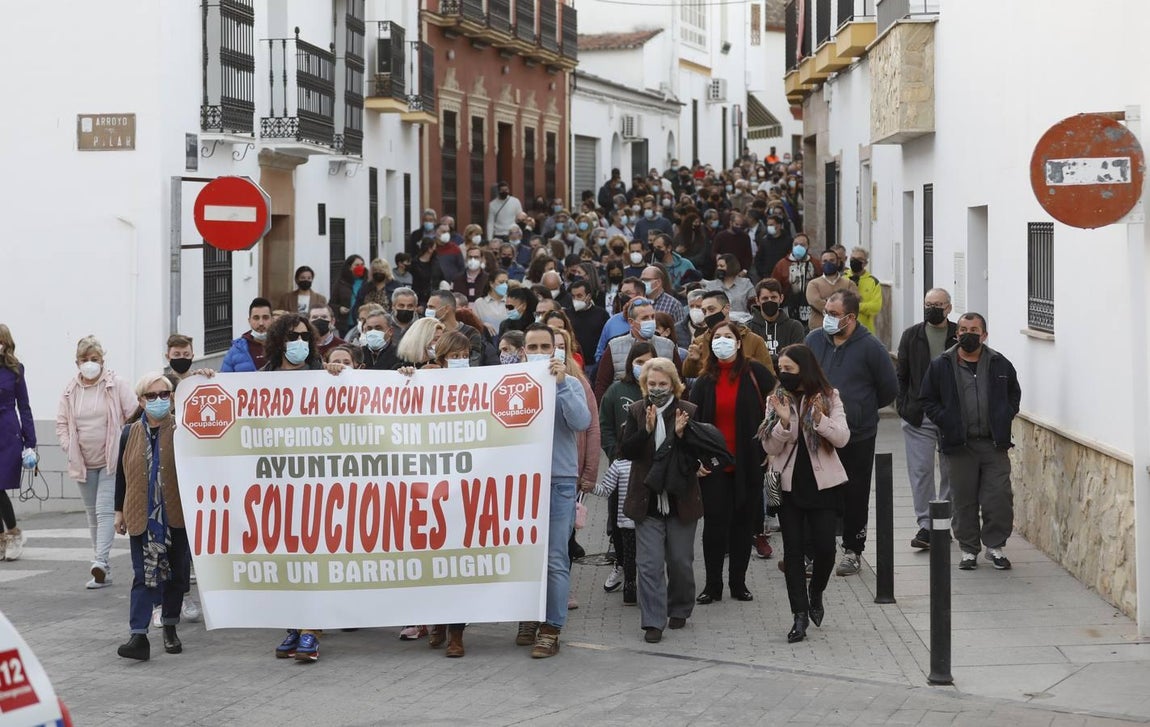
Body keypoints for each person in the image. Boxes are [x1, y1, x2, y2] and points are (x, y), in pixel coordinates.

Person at [760, 343, 851, 643]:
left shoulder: (828, 397)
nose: (783, 374)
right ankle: (799, 615)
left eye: (789, 369)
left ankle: (817, 591)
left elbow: (842, 438)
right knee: (794, 552)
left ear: (805, 369)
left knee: (825, 549)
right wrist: (784, 422)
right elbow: (769, 447)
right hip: (788, 486)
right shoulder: (776, 399)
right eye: (780, 369)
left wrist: (818, 420)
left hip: (822, 484)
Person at [806, 290, 898, 577]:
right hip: (819, 432)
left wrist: (859, 409)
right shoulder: (813, 341)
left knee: (855, 492)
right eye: (826, 313)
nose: (827, 319)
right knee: (817, 491)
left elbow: (888, 389)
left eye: (834, 315)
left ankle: (852, 550)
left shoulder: (871, 347)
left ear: (851, 318)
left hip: (858, 433)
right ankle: (814, 552)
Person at [920, 313, 1021, 571]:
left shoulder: (1000, 364)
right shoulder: (941, 364)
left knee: (998, 497)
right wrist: (947, 420)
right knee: (963, 500)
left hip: (993, 444)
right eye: (963, 329)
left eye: (974, 329)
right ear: (957, 333)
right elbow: (928, 399)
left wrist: (1003, 415)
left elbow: (1013, 395)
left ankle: (995, 547)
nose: (967, 334)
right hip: (959, 447)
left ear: (984, 335)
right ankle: (968, 550)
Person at [514, 324, 591, 658]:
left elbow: (580, 422)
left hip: (557, 479)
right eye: (533, 346)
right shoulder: (510, 383)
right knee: (522, 555)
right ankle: (528, 617)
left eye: (547, 346)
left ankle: (551, 627)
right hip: (519, 481)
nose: (541, 351)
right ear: (523, 351)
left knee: (556, 557)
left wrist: (559, 386)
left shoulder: (570, 383)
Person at [690, 321, 775, 605]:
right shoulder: (703, 381)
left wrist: (770, 447)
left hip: (749, 462)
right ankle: (712, 585)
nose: (722, 341)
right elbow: (693, 423)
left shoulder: (755, 373)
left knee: (743, 525)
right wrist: (696, 459)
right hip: (713, 465)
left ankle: (738, 583)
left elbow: (776, 406)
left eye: (728, 337)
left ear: (739, 344)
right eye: (717, 337)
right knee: (714, 526)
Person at [617, 358, 701, 643]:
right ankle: (653, 620)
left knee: (680, 560)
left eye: (662, 384)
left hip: (679, 499)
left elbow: (695, 457)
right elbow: (626, 451)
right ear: (644, 384)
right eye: (652, 384)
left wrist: (680, 435)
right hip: (647, 500)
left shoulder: (688, 411)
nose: (657, 389)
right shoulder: (637, 411)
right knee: (649, 564)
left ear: (674, 385)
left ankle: (679, 606)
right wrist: (646, 431)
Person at [111, 373, 191, 661]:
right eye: (151, 396)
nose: (158, 400)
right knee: (142, 575)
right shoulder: (129, 432)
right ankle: (138, 635)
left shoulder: (184, 429)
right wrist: (119, 510)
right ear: (141, 401)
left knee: (177, 575)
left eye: (164, 395)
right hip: (140, 514)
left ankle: (169, 627)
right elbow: (121, 475)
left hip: (176, 515)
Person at [55, 336, 137, 588]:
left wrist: (124, 446)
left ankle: (100, 561)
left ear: (102, 360)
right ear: (76, 362)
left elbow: (133, 414)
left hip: (111, 461)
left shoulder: (116, 385)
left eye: (95, 359)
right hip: (83, 462)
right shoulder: (70, 391)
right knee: (92, 515)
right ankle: (103, 568)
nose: (89, 364)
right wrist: (69, 447)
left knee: (104, 512)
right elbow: (61, 424)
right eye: (84, 360)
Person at [897, 288, 957, 550]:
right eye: (928, 304)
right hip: (918, 415)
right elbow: (901, 375)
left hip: (950, 416)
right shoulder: (912, 335)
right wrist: (904, 405)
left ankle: (942, 521)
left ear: (949, 307)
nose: (932, 308)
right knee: (920, 471)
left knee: (950, 472)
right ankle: (926, 526)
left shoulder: (959, 334)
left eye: (938, 304)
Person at [594, 298, 681, 401]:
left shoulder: (668, 346)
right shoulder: (614, 346)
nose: (650, 321)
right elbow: (602, 385)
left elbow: (679, 383)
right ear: (631, 322)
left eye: (652, 317)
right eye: (645, 318)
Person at [0, 325, 36, 562]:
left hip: (7, 432)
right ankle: (4, 537)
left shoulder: (15, 370)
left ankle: (12, 534)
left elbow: (24, 406)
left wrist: (30, 442)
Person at [682, 291, 775, 378]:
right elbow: (688, 373)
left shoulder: (754, 340)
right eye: (704, 311)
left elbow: (768, 376)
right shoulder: (700, 342)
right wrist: (693, 360)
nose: (707, 315)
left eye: (711, 309)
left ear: (726, 308)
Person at [748, 279, 808, 368]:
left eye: (773, 297)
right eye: (765, 298)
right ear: (757, 301)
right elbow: (748, 360)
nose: (769, 301)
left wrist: (762, 359)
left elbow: (797, 357)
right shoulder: (748, 328)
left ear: (781, 298)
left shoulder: (794, 327)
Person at [771, 235, 822, 328]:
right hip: (788, 307)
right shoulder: (782, 264)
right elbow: (774, 286)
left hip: (811, 308)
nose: (798, 247)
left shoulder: (815, 263)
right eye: (796, 244)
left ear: (808, 247)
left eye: (802, 245)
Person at [425, 291, 484, 368]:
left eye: (431, 307)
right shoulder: (426, 333)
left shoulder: (471, 333)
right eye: (428, 307)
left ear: (446, 309)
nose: (428, 310)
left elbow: (473, 363)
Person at [806, 249, 858, 332]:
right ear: (820, 263)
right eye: (825, 261)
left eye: (832, 260)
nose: (828, 263)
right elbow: (815, 302)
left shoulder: (849, 283)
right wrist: (840, 307)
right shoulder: (813, 284)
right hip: (818, 330)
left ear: (838, 262)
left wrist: (827, 301)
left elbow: (853, 302)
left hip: (844, 330)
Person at [594, 278, 644, 361]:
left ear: (640, 295)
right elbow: (600, 353)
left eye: (628, 293)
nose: (623, 297)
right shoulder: (612, 322)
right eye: (621, 294)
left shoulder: (651, 320)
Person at [567, 279, 609, 376]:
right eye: (573, 296)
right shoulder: (566, 314)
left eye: (579, 296)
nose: (576, 299)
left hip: (593, 364)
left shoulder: (601, 314)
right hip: (573, 363)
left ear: (589, 297)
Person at [221, 298, 273, 372]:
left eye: (265, 318)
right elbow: (223, 379)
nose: (261, 323)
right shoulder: (235, 351)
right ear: (249, 321)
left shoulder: (284, 348)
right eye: (256, 318)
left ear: (272, 320)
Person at [846, 247, 882, 333]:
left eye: (859, 259)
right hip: (844, 330)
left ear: (865, 263)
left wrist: (856, 306)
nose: (855, 261)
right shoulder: (842, 278)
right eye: (853, 259)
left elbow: (875, 307)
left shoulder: (873, 281)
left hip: (865, 331)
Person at [331, 255, 368, 336]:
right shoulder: (341, 283)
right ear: (349, 267)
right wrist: (339, 308)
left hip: (364, 322)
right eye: (357, 265)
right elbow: (331, 303)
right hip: (346, 324)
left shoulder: (367, 282)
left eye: (362, 265)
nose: (360, 267)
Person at [473, 270, 510, 335]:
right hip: (486, 341)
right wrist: (483, 325)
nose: (505, 285)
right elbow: (473, 324)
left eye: (506, 282)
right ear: (491, 284)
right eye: (501, 282)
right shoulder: (480, 303)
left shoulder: (511, 301)